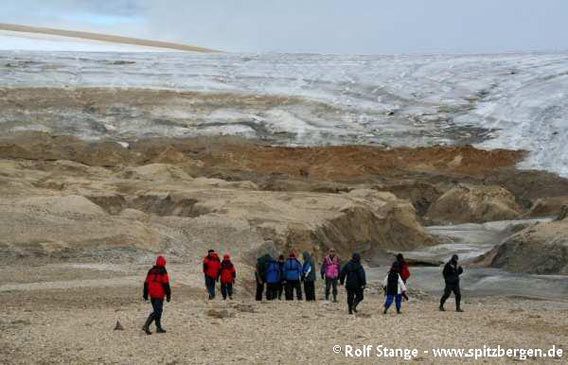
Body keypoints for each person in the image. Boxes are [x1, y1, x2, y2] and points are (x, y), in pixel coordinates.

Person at [142, 255, 171, 335]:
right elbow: (166, 284)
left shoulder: (151, 270)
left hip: (152, 294)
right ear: (164, 263)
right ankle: (146, 325)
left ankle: (158, 327)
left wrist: (145, 294)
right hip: (159, 294)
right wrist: (168, 295)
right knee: (157, 311)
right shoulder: (163, 271)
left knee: (158, 310)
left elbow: (146, 283)